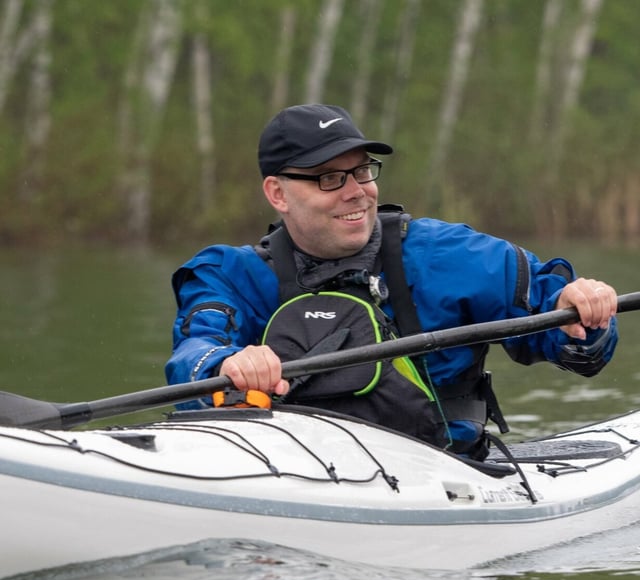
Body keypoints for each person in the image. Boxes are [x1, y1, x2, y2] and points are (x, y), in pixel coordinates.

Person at [166, 103, 618, 459]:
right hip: (295, 466)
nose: (355, 191)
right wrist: (225, 366)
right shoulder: (231, 274)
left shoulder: (451, 254)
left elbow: (571, 336)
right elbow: (195, 351)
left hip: (446, 467)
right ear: (277, 193)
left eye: (362, 171)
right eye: (329, 178)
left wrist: (579, 312)